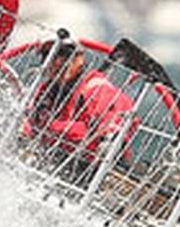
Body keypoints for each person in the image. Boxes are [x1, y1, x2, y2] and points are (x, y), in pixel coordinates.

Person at [18, 32, 137, 174]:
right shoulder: (45, 92)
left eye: (63, 54)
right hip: (56, 163)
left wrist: (110, 137)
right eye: (48, 56)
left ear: (80, 58)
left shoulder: (96, 87)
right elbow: (30, 125)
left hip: (94, 171)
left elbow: (120, 115)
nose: (55, 62)